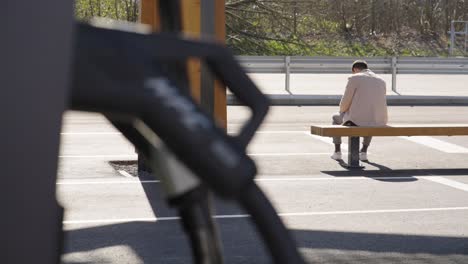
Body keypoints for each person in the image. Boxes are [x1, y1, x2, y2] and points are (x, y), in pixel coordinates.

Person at [331, 60, 388, 161]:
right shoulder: (381, 80)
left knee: (335, 118)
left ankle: (337, 151)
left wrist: (342, 111)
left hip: (356, 121)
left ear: (355, 69)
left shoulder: (355, 78)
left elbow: (345, 100)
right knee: (371, 118)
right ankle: (364, 151)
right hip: (379, 120)